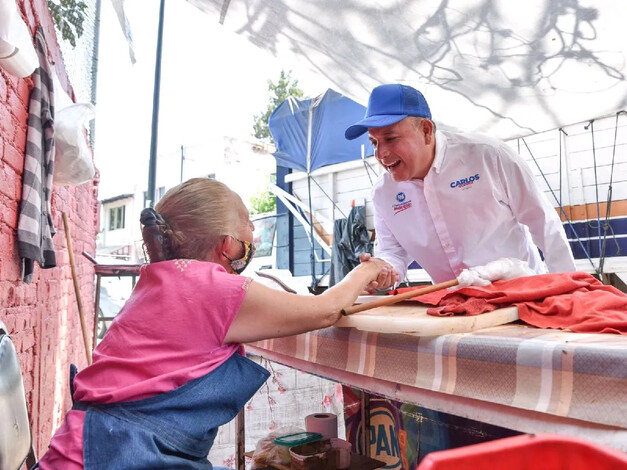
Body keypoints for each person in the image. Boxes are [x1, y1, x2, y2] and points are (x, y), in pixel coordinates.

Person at [37, 178, 386, 469]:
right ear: (226, 244)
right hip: (116, 454)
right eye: (247, 223)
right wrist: (369, 267)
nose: (253, 231)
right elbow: (325, 311)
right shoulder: (214, 287)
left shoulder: (159, 279)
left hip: (86, 445)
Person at [344, 84, 576, 290]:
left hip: (521, 293)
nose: (381, 154)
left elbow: (543, 222)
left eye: (391, 138)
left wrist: (568, 288)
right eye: (374, 142)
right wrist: (384, 272)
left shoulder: (488, 156)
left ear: (426, 130)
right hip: (456, 306)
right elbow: (392, 253)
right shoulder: (383, 193)